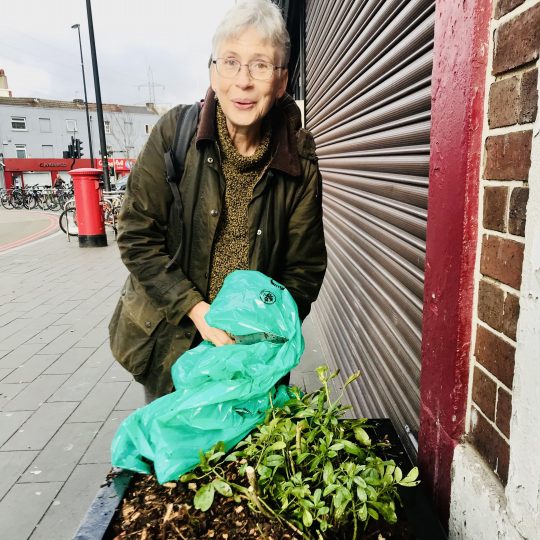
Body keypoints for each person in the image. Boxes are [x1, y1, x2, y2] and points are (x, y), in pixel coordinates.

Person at [109, 0, 327, 402]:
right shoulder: (174, 134)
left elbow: (305, 269)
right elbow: (137, 235)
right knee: (178, 458)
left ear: (281, 82)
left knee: (246, 462)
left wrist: (264, 333)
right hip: (172, 343)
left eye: (261, 65)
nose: (243, 81)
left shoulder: (298, 160)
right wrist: (194, 308)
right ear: (213, 72)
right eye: (230, 62)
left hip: (251, 361)